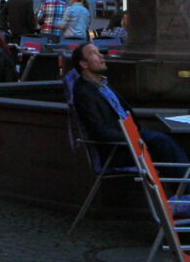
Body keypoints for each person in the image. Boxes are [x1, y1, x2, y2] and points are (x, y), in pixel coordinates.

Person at [66, 42, 183, 171]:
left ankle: (183, 189)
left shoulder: (102, 84)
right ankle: (187, 189)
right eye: (94, 53)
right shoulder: (84, 93)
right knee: (163, 144)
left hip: (130, 138)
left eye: (99, 52)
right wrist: (132, 137)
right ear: (84, 64)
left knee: (167, 145)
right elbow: (99, 131)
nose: (101, 56)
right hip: (118, 149)